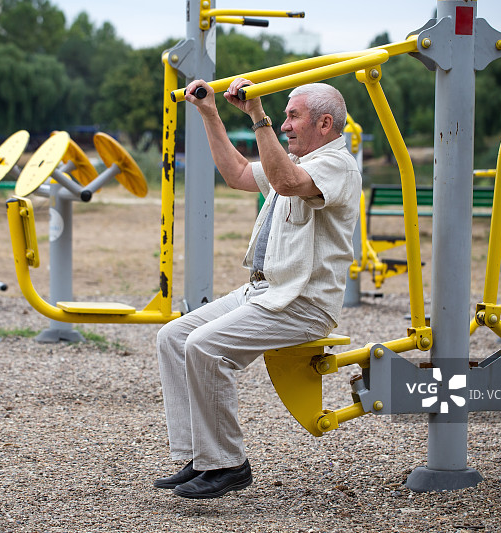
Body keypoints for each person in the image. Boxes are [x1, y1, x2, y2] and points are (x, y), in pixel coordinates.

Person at [154, 77, 362, 499]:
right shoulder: (291, 160)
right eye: (283, 117)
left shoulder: (336, 166)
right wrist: (210, 114)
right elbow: (235, 174)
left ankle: (229, 464)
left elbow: (285, 182)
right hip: (266, 291)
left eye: (292, 116)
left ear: (325, 124)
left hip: (302, 303)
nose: (284, 126)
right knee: (173, 337)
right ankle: (202, 455)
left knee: (205, 346)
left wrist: (258, 115)